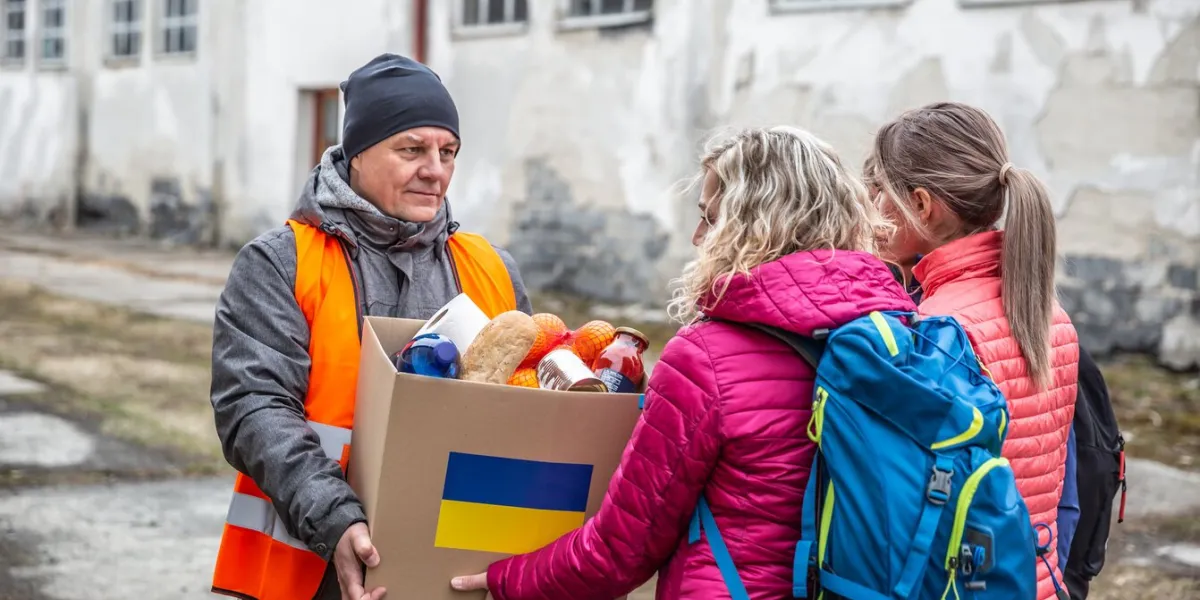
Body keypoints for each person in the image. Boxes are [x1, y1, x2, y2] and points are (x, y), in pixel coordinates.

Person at [451, 126, 916, 599]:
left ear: (750, 225)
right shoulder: (899, 333)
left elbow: (621, 550)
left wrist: (502, 579)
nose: (697, 237)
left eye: (710, 218)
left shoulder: (705, 360)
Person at [208, 53, 532, 600]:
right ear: (356, 154)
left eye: (448, 152)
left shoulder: (492, 269)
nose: (436, 169)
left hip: (456, 567)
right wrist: (335, 520)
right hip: (312, 569)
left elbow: (529, 412)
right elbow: (253, 407)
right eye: (412, 149)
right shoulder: (281, 262)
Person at [864, 101, 1080, 600]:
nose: (871, 209)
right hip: (1031, 580)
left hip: (960, 585)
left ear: (920, 205)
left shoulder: (936, 330)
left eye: (880, 193)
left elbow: (908, 506)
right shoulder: (1051, 314)